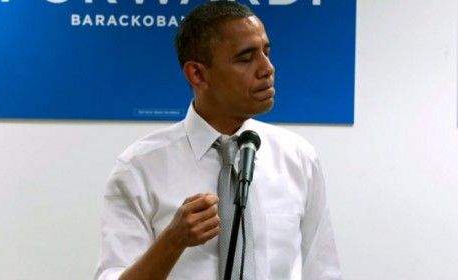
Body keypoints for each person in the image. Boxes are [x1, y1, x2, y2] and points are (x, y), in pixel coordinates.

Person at [95, 1, 341, 279]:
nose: (267, 68)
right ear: (197, 74)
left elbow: (322, 271)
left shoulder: (297, 157)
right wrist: (172, 241)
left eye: (266, 52)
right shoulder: (139, 168)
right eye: (246, 58)